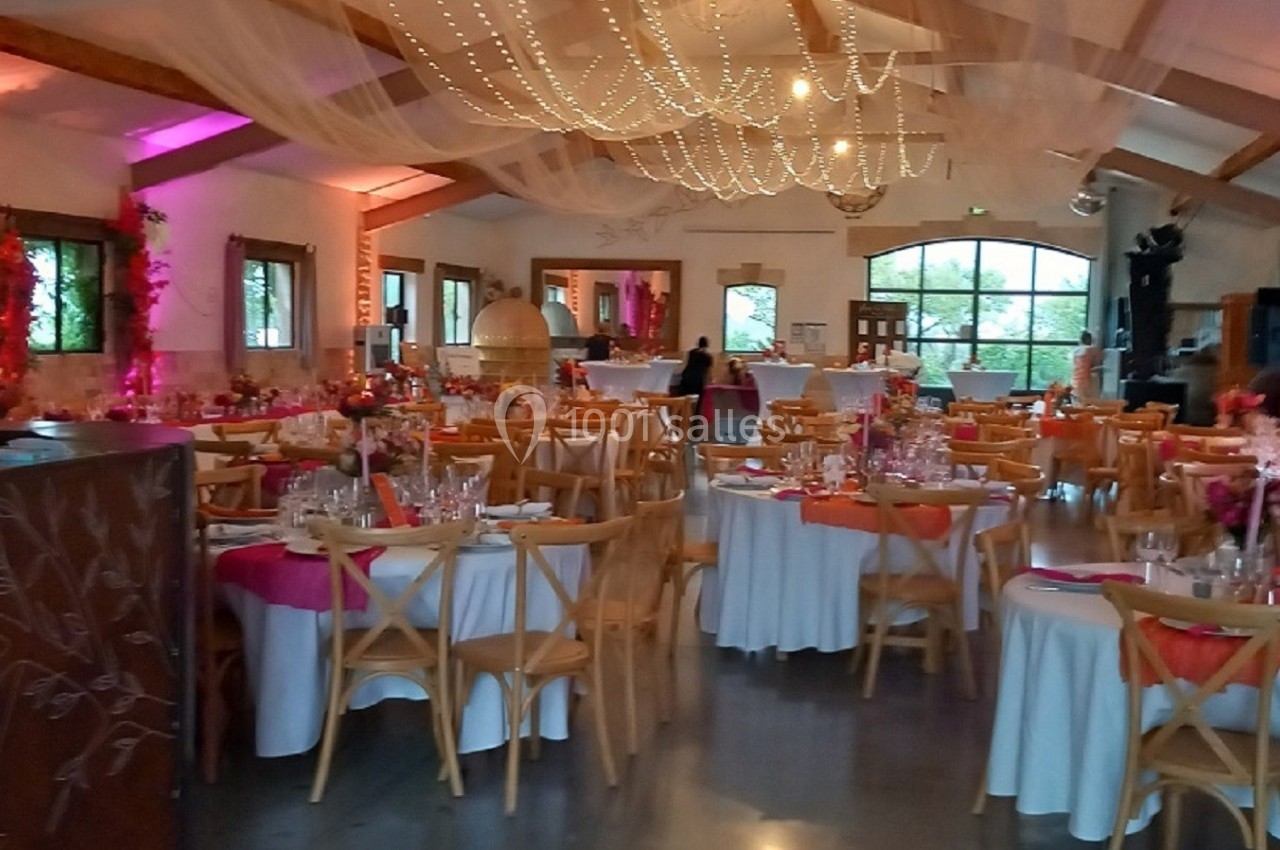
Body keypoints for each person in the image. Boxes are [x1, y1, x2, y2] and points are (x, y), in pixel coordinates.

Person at [678, 336, 713, 401]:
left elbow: (685, 364)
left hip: (687, 376)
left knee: (685, 398)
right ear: (707, 345)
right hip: (697, 379)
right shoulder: (707, 356)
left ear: (698, 344)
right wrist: (710, 381)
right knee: (696, 400)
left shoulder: (691, 352)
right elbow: (708, 372)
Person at [1071, 330, 1103, 398]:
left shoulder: (1075, 351)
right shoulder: (1090, 349)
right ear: (1090, 340)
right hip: (1084, 380)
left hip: (1074, 380)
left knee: (1079, 401)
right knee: (1087, 400)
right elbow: (1100, 358)